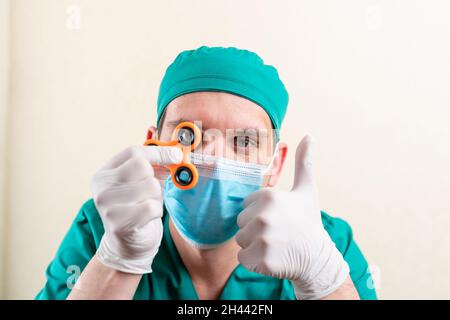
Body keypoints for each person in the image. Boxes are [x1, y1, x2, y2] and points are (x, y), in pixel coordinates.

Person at [36, 46, 377, 300]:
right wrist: (117, 260)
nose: (212, 157)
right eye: (188, 135)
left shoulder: (323, 244)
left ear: (275, 163)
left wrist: (323, 280)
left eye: (243, 141)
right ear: (154, 145)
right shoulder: (103, 228)